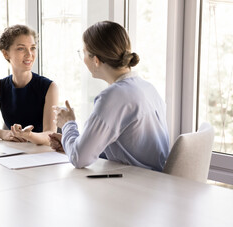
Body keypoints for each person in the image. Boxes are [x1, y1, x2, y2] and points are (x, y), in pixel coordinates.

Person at [50, 21, 169, 171]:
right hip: (154, 183)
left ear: (96, 60)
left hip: (136, 186)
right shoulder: (147, 88)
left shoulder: (113, 96)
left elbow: (79, 159)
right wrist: (71, 143)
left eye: (84, 53)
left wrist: (68, 123)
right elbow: (129, 148)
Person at [0, 24, 58, 145]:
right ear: (6, 54)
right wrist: (1, 133)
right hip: (16, 153)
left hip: (43, 154)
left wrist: (29, 135)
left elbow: (49, 135)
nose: (29, 54)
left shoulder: (49, 87)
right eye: (21, 48)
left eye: (32, 48)